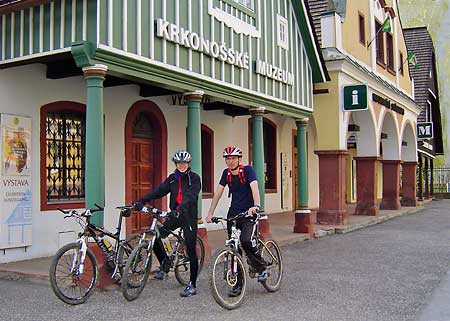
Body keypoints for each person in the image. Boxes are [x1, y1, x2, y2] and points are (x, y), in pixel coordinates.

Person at [133, 150, 201, 297]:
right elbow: (158, 191)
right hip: (175, 215)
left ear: (188, 164)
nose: (182, 165)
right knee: (157, 235)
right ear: (176, 164)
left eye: (184, 163)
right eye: (179, 163)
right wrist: (142, 200)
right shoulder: (172, 179)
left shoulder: (194, 178)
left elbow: (190, 195)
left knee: (190, 248)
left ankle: (192, 285)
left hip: (188, 216)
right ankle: (165, 262)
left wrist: (181, 208)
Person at [206, 145, 267, 297]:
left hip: (249, 213)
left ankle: (262, 267)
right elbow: (218, 193)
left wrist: (256, 206)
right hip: (233, 214)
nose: (230, 161)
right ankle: (238, 284)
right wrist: (210, 213)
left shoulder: (247, 171)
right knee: (234, 249)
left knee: (246, 241)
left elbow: (255, 189)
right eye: (228, 158)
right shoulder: (226, 173)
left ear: (239, 159)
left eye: (233, 158)